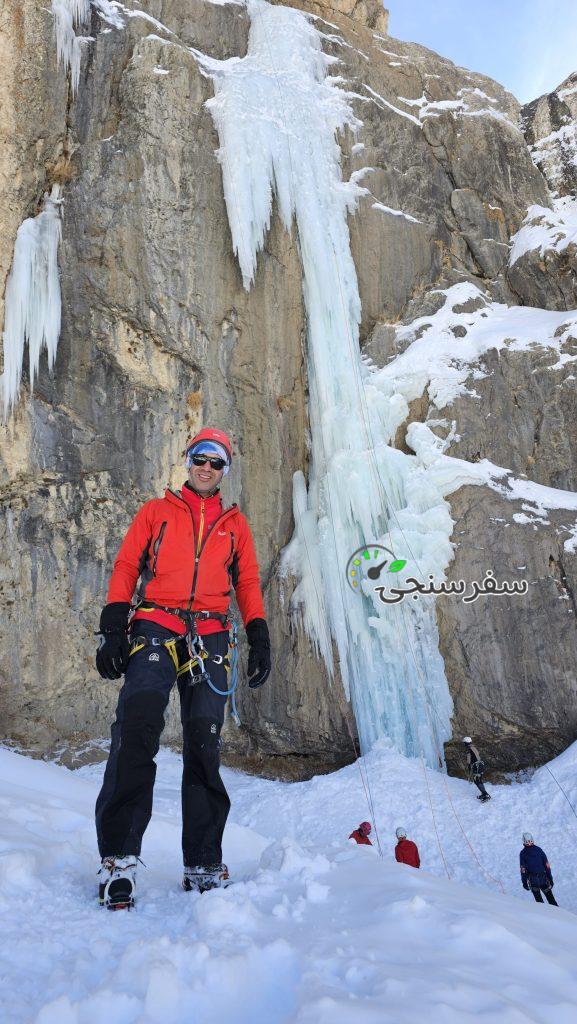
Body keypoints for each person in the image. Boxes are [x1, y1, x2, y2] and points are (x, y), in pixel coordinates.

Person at [94, 427, 271, 909]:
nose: (207, 467)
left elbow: (248, 580)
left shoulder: (235, 524)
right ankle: (118, 860)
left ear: (225, 469)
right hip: (155, 624)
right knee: (137, 730)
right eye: (200, 457)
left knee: (203, 743)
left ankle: (203, 863)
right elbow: (127, 564)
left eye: (216, 461)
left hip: (211, 633)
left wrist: (257, 630)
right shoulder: (157, 512)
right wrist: (114, 625)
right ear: (188, 460)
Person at [520, 833, 558, 906]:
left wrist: (524, 882)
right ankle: (559, 915)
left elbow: (523, 869)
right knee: (551, 900)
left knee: (540, 903)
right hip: (543, 879)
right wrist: (550, 878)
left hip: (533, 880)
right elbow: (547, 865)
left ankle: (544, 916)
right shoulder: (539, 850)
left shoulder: (523, 853)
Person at [463, 736, 491, 802]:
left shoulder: (469, 749)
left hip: (477, 766)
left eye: (464, 743)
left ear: (466, 743)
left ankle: (486, 795)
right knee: (479, 780)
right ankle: (483, 794)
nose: (464, 744)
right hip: (480, 765)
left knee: (477, 781)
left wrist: (469, 767)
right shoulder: (473, 747)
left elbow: (469, 761)